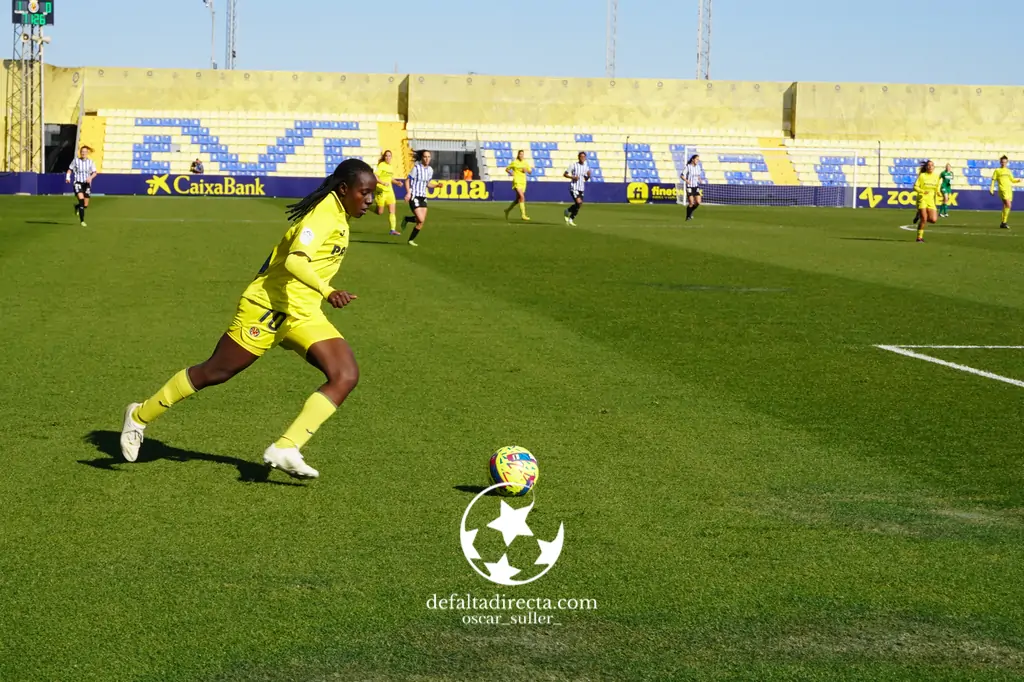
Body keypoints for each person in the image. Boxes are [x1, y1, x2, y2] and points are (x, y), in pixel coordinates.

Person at [119, 159, 377, 480]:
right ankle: (140, 416)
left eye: (373, 194)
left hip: (303, 312)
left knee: (345, 374)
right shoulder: (324, 215)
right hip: (267, 307)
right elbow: (296, 262)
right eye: (365, 193)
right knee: (215, 372)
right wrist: (328, 290)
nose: (370, 201)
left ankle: (286, 447)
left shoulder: (338, 213)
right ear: (343, 190)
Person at [400, 150, 439, 246]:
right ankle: (407, 220)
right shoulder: (416, 168)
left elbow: (427, 184)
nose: (427, 159)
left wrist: (436, 185)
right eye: (425, 157)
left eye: (429, 157)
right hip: (415, 196)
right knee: (420, 219)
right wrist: (408, 193)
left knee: (420, 222)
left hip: (423, 197)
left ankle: (410, 240)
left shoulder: (430, 170)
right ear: (421, 158)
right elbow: (407, 181)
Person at [374, 150, 405, 236]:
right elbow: (375, 176)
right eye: (386, 156)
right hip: (381, 190)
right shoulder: (381, 165)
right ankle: (369, 207)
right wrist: (382, 183)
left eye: (389, 156)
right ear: (384, 157)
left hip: (389, 191)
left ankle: (392, 230)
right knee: (380, 212)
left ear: (391, 157)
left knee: (392, 211)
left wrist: (397, 182)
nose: (388, 157)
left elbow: (390, 178)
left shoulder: (390, 167)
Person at [66, 146, 97, 227]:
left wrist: (90, 178)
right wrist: (68, 177)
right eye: (82, 152)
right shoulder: (76, 161)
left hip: (86, 184)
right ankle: (82, 221)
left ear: (87, 153)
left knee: (85, 205)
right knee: (81, 200)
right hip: (78, 183)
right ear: (80, 152)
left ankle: (77, 206)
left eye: (85, 152)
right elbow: (70, 169)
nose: (83, 153)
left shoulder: (91, 162)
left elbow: (95, 172)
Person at [912, 159, 941, 242]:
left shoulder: (937, 177)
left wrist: (939, 193)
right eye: (929, 165)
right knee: (924, 219)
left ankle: (919, 214)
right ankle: (919, 238)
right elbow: (915, 187)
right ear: (926, 167)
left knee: (933, 220)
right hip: (922, 199)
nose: (930, 167)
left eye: (932, 165)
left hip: (931, 200)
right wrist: (922, 191)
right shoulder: (922, 176)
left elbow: (937, 187)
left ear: (934, 167)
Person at [990, 155, 1019, 229]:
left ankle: (1003, 223)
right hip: (1002, 190)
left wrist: (1018, 180)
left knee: (1005, 206)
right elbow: (993, 180)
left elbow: (1012, 180)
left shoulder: (1008, 171)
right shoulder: (997, 170)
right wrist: (991, 189)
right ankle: (1004, 222)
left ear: (1007, 162)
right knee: (1008, 205)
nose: (1004, 163)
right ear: (1000, 162)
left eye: (1005, 162)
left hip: (1009, 189)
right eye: (1002, 162)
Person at [563, 152, 592, 226]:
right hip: (574, 187)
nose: (582, 158)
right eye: (581, 156)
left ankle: (570, 216)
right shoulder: (573, 165)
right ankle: (569, 215)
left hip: (581, 187)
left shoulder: (586, 167)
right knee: (578, 202)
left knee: (579, 204)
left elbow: (585, 178)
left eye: (584, 157)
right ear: (578, 157)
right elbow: (565, 174)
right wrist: (573, 177)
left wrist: (588, 176)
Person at [503, 150, 533, 222]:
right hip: (517, 181)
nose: (521, 156)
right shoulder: (514, 162)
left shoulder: (525, 163)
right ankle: (523, 215)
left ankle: (507, 210)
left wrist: (526, 170)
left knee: (518, 199)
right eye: (520, 154)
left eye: (523, 154)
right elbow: (507, 169)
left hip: (523, 182)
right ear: (518, 155)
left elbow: (530, 172)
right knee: (522, 197)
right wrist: (511, 173)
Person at [681, 154, 703, 221]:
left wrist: (700, 180)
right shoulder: (688, 167)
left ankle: (691, 212)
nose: (697, 161)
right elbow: (682, 175)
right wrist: (687, 181)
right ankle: (688, 216)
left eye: (698, 160)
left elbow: (698, 175)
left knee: (698, 202)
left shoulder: (698, 167)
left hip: (695, 186)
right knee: (691, 202)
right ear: (693, 159)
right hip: (689, 186)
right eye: (696, 159)